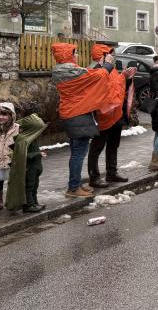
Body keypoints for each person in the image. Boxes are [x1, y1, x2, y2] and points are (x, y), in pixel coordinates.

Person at [51, 43, 115, 198]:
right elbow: (98, 76)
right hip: (77, 114)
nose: (77, 55)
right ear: (68, 54)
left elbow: (89, 76)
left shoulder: (62, 70)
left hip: (72, 113)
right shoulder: (72, 71)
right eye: (75, 52)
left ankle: (76, 184)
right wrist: (108, 64)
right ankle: (73, 188)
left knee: (76, 152)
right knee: (78, 154)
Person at [86, 44, 135, 188]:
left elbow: (117, 88)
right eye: (110, 54)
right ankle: (94, 177)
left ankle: (111, 173)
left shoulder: (111, 69)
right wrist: (122, 78)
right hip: (103, 115)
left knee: (113, 145)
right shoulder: (95, 69)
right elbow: (100, 90)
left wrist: (125, 77)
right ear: (102, 55)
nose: (112, 56)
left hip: (116, 113)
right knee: (97, 147)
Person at [4, 106, 48, 213]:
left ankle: (34, 202)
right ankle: (29, 205)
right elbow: (21, 156)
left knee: (35, 186)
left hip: (36, 167)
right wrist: (38, 154)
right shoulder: (22, 139)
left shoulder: (31, 137)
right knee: (29, 186)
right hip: (29, 168)